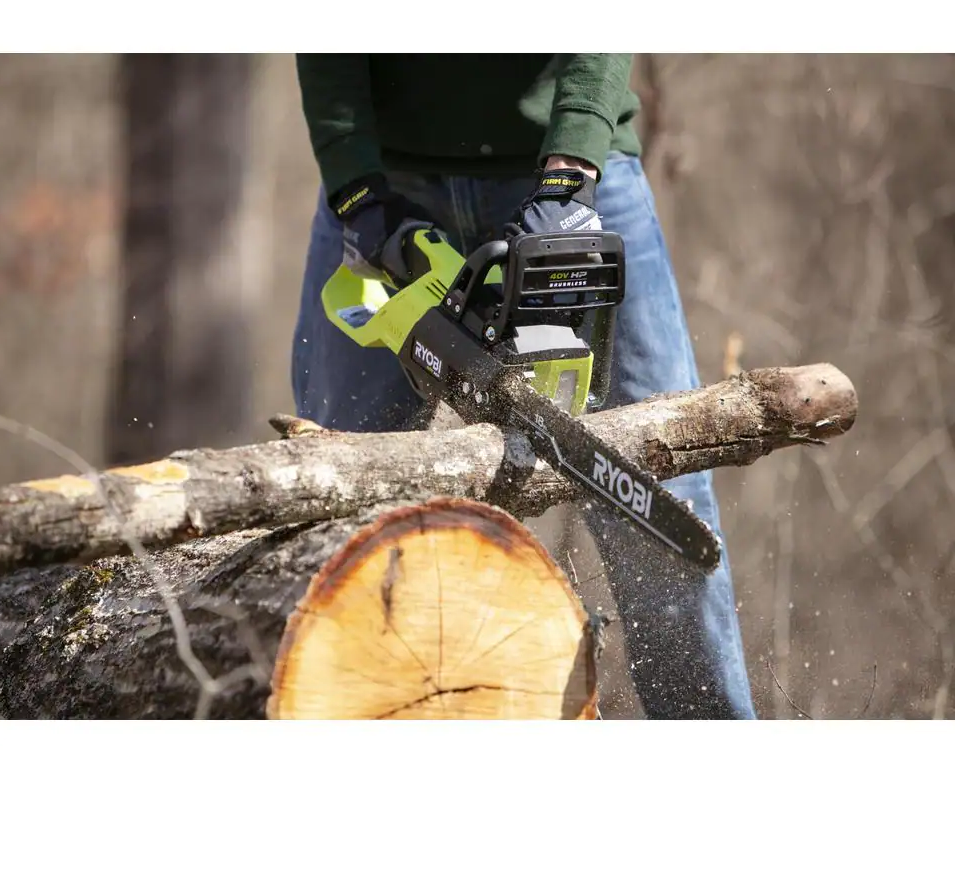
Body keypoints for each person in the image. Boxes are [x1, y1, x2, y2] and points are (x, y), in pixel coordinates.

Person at [291, 54, 755, 719]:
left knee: (656, 478)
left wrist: (571, 169)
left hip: (570, 164)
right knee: (329, 490)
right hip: (388, 177)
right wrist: (357, 193)